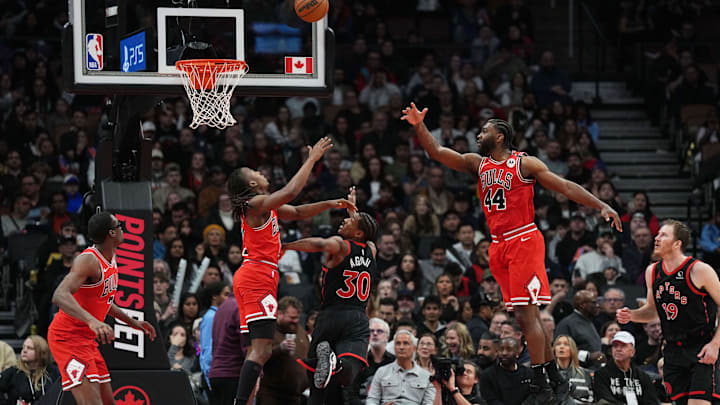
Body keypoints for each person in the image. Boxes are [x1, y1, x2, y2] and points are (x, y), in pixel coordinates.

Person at [403, 103, 622, 402]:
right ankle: (552, 375)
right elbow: (438, 153)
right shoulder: (478, 164)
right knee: (523, 317)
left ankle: (541, 379)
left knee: (528, 315)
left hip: (523, 240)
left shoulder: (524, 164)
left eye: (485, 131)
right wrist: (419, 126)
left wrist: (601, 205)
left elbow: (566, 187)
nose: (479, 135)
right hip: (497, 244)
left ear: (501, 136)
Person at [228, 137, 355, 405]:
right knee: (260, 352)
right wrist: (311, 159)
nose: (262, 173)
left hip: (259, 275)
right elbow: (289, 194)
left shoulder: (266, 207)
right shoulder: (254, 204)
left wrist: (329, 203)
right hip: (256, 276)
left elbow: (296, 211)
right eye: (256, 173)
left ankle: (245, 401)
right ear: (252, 184)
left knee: (257, 351)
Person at [47, 211, 156, 404]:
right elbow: (59, 295)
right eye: (119, 225)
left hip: (87, 340)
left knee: (108, 402)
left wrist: (131, 321)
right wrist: (92, 321)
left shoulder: (111, 258)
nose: (122, 228)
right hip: (67, 338)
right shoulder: (88, 260)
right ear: (112, 233)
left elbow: (103, 300)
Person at [283, 187, 379, 405]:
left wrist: (287, 246)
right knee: (349, 373)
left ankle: (329, 364)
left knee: (316, 384)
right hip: (357, 317)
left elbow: (318, 244)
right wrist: (353, 213)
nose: (344, 222)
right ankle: (336, 364)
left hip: (330, 315)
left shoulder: (340, 245)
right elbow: (364, 233)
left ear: (357, 233)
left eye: (350, 222)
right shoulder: (371, 250)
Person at [617, 219, 720, 405]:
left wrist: (715, 343)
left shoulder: (699, 270)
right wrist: (632, 314)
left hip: (701, 347)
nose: (656, 238)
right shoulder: (652, 272)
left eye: (663, 235)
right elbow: (652, 311)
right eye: (657, 235)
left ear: (677, 243)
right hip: (672, 350)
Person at [366, 330, 437, 405]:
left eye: (406, 343)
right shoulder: (382, 372)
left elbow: (430, 403)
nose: (401, 347)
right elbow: (372, 399)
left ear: (414, 348)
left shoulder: (426, 376)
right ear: (394, 348)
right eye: (398, 343)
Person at [592, 331, 658, 404]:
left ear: (632, 352)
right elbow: (604, 400)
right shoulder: (602, 374)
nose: (618, 349)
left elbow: (652, 401)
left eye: (623, 346)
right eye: (615, 346)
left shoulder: (642, 377)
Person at [0, 335, 58, 404]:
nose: (24, 351)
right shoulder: (13, 372)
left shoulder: (53, 372)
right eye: (23, 347)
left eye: (29, 348)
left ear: (41, 351)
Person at [479, 337, 533, 405]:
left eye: (509, 349)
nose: (504, 353)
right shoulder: (487, 375)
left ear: (517, 352)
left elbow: (532, 396)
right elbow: (490, 400)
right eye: (501, 349)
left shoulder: (528, 373)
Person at [552, 335, 594, 404]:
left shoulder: (585, 374)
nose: (561, 347)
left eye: (566, 344)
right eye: (558, 344)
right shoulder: (547, 373)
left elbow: (590, 399)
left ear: (572, 349)